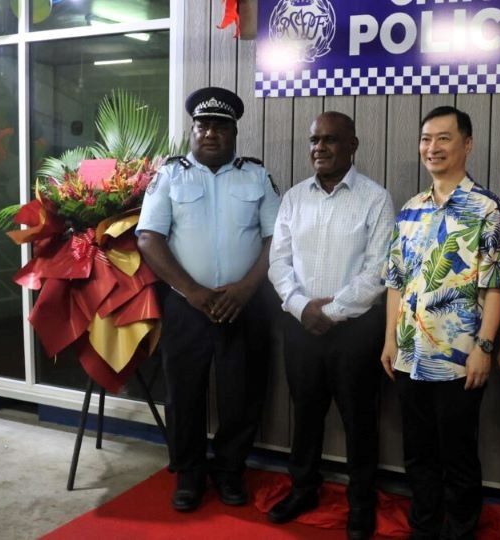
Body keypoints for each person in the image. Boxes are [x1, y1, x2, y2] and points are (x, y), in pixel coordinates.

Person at [136, 87, 280, 512]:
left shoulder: (256, 176)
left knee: (242, 393)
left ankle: (230, 472)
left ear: (234, 133)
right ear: (193, 130)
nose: (211, 133)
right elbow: (149, 238)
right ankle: (189, 475)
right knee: (184, 394)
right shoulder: (170, 176)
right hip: (186, 306)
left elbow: (277, 238)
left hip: (244, 305)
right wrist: (193, 291)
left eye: (220, 126)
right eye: (203, 125)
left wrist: (246, 288)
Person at [266, 111, 395, 539]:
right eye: (314, 140)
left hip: (355, 332)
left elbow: (378, 271)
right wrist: (302, 307)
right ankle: (303, 489)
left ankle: (361, 502)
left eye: (331, 140)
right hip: (301, 328)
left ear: (353, 145)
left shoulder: (376, 199)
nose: (320, 148)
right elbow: (278, 261)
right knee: (305, 415)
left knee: (359, 420)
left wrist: (331, 311)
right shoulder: (294, 198)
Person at [382, 106, 500, 539]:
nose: (432, 147)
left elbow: (496, 284)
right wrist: (389, 341)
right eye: (426, 139)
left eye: (443, 138)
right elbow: (395, 281)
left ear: (467, 144)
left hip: (459, 358)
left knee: (458, 453)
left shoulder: (486, 208)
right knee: (417, 452)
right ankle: (424, 526)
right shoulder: (410, 209)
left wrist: (484, 347)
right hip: (409, 353)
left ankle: (461, 529)